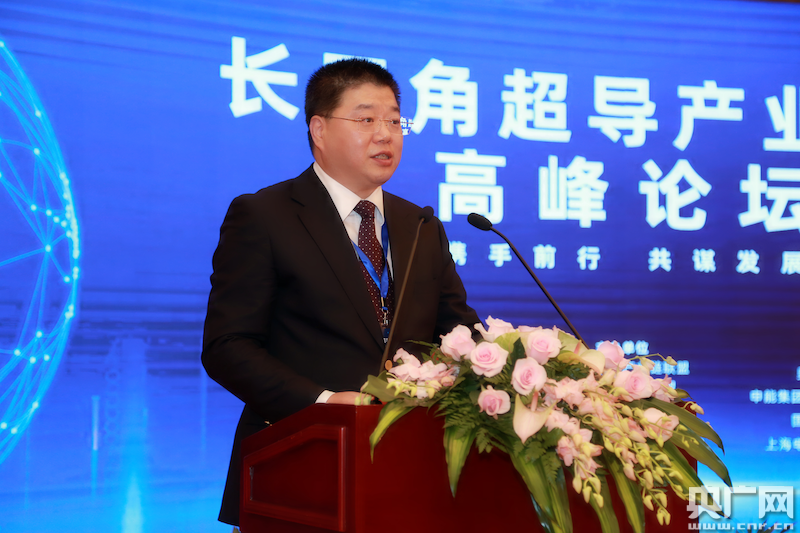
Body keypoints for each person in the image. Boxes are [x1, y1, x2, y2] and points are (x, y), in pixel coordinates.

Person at [201, 58, 479, 528]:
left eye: (395, 121)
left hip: (411, 473)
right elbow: (228, 347)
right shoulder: (265, 215)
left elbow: (458, 334)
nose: (386, 134)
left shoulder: (420, 225)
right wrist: (325, 402)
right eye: (366, 119)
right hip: (297, 470)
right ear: (319, 129)